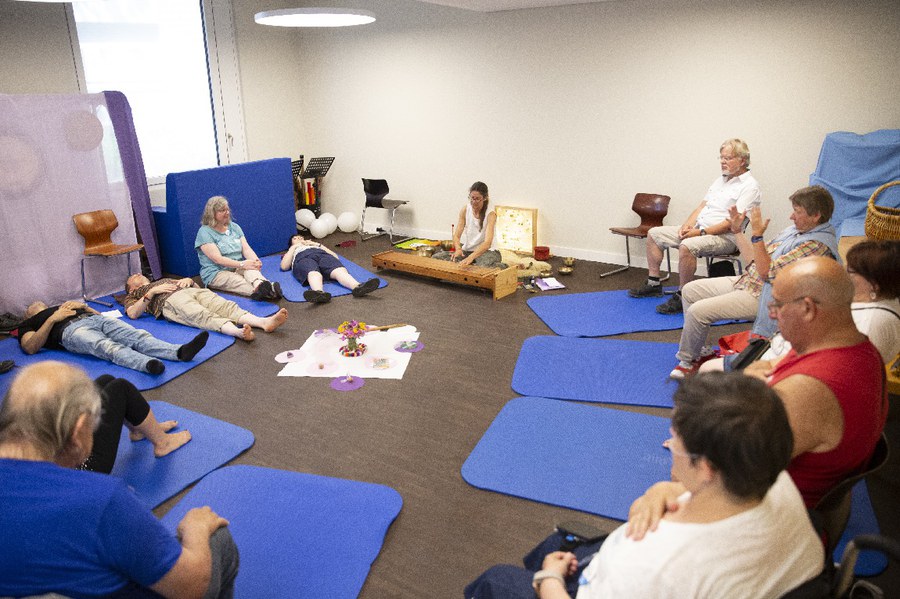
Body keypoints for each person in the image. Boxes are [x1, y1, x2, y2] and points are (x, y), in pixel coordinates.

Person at [465, 372, 824, 599]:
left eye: (676, 437)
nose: (670, 441)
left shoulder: (651, 564)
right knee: (556, 543)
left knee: (497, 580)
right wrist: (661, 490)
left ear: (707, 468)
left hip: (603, 584)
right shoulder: (777, 482)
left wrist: (549, 579)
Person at [0, 362, 239, 599]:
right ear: (79, 430)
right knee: (219, 539)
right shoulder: (102, 499)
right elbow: (190, 586)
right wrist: (197, 528)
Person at [669, 185, 839, 379]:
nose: (791, 216)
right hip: (749, 281)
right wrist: (737, 231)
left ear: (816, 216)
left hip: (765, 296)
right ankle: (699, 351)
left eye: (797, 212)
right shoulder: (793, 232)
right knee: (690, 290)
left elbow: (766, 273)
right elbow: (753, 261)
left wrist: (757, 236)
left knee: (697, 311)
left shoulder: (815, 245)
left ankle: (688, 360)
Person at [700, 239, 900, 372]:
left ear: (874, 283)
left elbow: (826, 365)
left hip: (783, 367)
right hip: (778, 356)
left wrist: (770, 367)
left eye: (851, 271)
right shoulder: (867, 301)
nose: (845, 273)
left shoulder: (873, 321)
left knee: (707, 370)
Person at [629, 139, 761, 314]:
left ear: (742, 160)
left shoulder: (750, 186)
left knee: (687, 246)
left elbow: (731, 224)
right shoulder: (720, 180)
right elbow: (701, 207)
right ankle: (653, 283)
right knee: (654, 233)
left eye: (728, 158)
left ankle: (683, 295)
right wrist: (687, 226)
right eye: (721, 157)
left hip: (726, 238)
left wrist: (698, 233)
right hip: (699, 230)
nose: (722, 162)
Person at [16, 300, 209, 375]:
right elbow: (30, 347)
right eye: (33, 306)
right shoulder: (29, 323)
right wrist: (52, 319)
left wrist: (84, 307)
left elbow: (98, 316)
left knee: (137, 335)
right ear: (27, 315)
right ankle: (147, 364)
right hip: (69, 331)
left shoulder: (62, 305)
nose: (38, 304)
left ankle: (179, 352)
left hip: (94, 319)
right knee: (107, 347)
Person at [123, 273, 288, 341]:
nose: (138, 273)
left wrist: (189, 281)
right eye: (133, 276)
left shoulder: (162, 279)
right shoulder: (133, 295)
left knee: (226, 306)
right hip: (170, 300)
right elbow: (132, 313)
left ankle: (263, 322)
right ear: (130, 288)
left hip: (192, 291)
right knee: (203, 315)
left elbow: (196, 286)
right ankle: (238, 332)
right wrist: (151, 293)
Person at [86, 374, 192, 474]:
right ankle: (163, 443)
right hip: (87, 469)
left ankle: (138, 430)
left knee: (105, 381)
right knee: (121, 389)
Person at [195, 195, 282, 301]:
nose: (227, 213)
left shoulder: (234, 227)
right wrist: (242, 264)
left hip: (237, 266)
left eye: (227, 209)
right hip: (216, 273)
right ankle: (268, 289)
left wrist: (255, 261)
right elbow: (218, 259)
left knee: (251, 270)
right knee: (238, 281)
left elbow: (246, 249)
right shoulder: (204, 232)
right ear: (212, 213)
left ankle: (262, 286)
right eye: (222, 210)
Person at [279, 234, 380, 304]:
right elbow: (284, 267)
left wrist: (317, 244)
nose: (299, 238)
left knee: (339, 270)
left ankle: (357, 287)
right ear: (291, 243)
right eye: (295, 238)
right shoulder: (293, 250)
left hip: (322, 255)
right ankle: (318, 293)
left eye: (301, 237)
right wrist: (294, 247)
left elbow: (335, 256)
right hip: (303, 257)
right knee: (313, 273)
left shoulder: (315, 246)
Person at [433, 181, 504, 267]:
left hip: (488, 252)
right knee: (436, 258)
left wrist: (470, 258)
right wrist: (458, 249)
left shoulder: (491, 214)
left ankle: (501, 267)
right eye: (472, 198)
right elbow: (456, 236)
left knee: (479, 267)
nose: (474, 201)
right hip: (468, 251)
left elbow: (487, 243)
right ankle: (477, 264)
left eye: (477, 199)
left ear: (485, 198)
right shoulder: (465, 209)